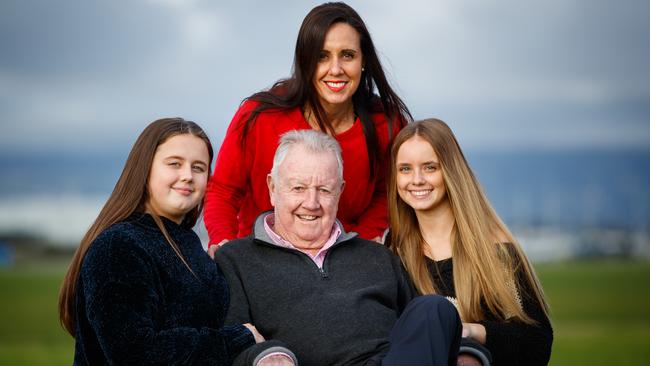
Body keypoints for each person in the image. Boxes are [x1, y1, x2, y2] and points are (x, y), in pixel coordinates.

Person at [58, 118, 296, 366]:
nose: (187, 176)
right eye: (174, 164)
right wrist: (236, 339)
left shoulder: (188, 244)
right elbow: (135, 355)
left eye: (199, 168)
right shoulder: (118, 247)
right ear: (145, 168)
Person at [216, 129, 462, 366]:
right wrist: (266, 355)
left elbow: (422, 336)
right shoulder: (236, 260)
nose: (311, 203)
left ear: (339, 192)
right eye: (298, 188)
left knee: (434, 307)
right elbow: (229, 344)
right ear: (272, 188)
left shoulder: (378, 256)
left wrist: (469, 354)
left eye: (324, 190)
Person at [204, 2, 411, 256]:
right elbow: (223, 191)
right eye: (322, 56)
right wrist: (224, 246)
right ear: (305, 61)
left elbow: (386, 194)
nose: (335, 69)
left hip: (342, 263)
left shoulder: (386, 125)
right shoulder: (259, 115)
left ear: (363, 60)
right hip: (260, 261)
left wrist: (360, 248)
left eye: (347, 55)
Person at [386, 119, 553, 365]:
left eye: (430, 167)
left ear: (451, 171)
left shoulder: (495, 249)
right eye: (405, 169)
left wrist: (469, 331)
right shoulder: (390, 252)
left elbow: (537, 342)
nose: (417, 179)